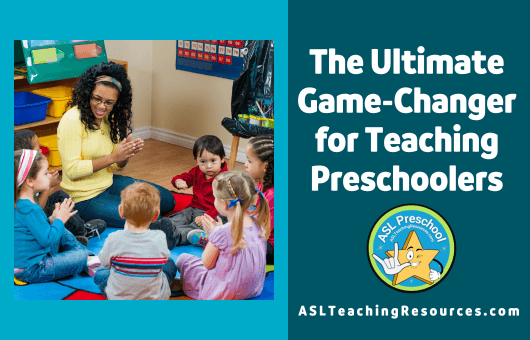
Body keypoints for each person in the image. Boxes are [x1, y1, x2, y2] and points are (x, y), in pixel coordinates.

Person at [57, 61, 175, 228]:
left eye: (109, 102)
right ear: (87, 93)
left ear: (116, 102)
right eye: (96, 99)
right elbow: (72, 171)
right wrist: (112, 157)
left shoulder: (108, 119)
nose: (101, 107)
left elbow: (118, 167)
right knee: (149, 219)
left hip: (108, 183)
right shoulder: (72, 120)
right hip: (83, 198)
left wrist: (125, 154)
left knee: (166, 201)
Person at [174, 171, 270, 300]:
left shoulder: (222, 232)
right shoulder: (259, 224)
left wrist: (213, 234)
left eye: (214, 197)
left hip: (223, 292)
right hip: (253, 289)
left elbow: (207, 264)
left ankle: (185, 285)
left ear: (224, 204)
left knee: (183, 259)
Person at [14, 149, 101, 284]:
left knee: (60, 229)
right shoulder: (30, 209)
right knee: (80, 256)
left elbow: (36, 230)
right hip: (33, 269)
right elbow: (47, 240)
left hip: (35, 256)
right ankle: (86, 257)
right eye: (45, 172)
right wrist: (59, 220)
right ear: (30, 181)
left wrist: (52, 219)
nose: (49, 174)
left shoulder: (20, 203)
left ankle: (86, 257)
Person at [14, 129, 106, 246]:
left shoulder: (25, 174)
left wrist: (47, 184)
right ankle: (79, 234)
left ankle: (79, 230)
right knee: (59, 210)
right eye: (37, 150)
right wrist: (46, 190)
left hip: (36, 206)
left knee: (61, 196)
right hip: (35, 216)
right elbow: (36, 209)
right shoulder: (20, 187)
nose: (41, 150)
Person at [94, 182, 177, 300]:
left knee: (101, 272)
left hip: (120, 298)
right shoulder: (159, 238)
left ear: (120, 212)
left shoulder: (114, 238)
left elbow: (105, 262)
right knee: (169, 263)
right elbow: (163, 261)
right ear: (156, 216)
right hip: (154, 298)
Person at [150, 135, 228, 248]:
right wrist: (178, 181)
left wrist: (206, 217)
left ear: (222, 158)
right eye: (203, 161)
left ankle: (175, 236)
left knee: (195, 229)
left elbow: (224, 205)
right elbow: (183, 177)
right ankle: (159, 227)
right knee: (182, 216)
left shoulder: (226, 179)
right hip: (193, 208)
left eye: (213, 160)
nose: (209, 166)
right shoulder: (197, 171)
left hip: (213, 214)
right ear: (196, 161)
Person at [245, 135, 274, 264]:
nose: (245, 165)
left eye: (249, 161)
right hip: (261, 231)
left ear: (265, 166)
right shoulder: (263, 181)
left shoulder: (274, 196)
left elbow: (262, 229)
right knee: (227, 215)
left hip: (271, 246)